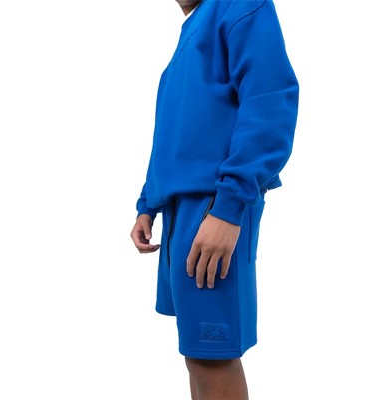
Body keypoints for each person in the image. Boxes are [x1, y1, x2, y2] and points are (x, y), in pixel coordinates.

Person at [130, 0, 299, 398]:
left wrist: (228, 206)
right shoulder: (189, 34)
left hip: (214, 204)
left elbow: (270, 100)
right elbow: (173, 131)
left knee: (213, 356)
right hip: (178, 212)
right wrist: (148, 204)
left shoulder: (240, 5)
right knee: (196, 354)